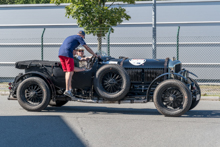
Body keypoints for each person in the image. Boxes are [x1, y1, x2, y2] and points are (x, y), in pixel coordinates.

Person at [58, 30, 98, 100]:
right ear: (82, 36)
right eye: (83, 37)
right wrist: (94, 54)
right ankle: (67, 90)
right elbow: (86, 47)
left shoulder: (71, 37)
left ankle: (69, 89)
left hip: (61, 53)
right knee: (69, 72)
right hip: (67, 54)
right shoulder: (79, 37)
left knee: (68, 72)